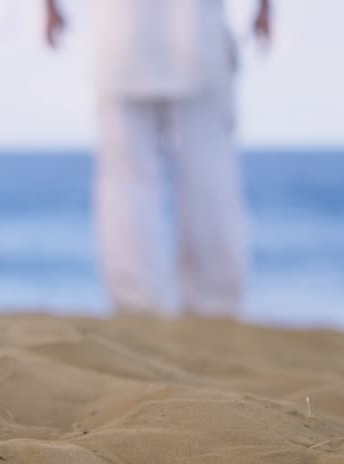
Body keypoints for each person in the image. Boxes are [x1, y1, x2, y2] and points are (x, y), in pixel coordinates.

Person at [44, 0, 271, 318]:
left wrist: (50, 9)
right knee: (205, 176)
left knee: (130, 180)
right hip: (186, 40)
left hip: (130, 41)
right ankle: (209, 303)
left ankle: (138, 301)